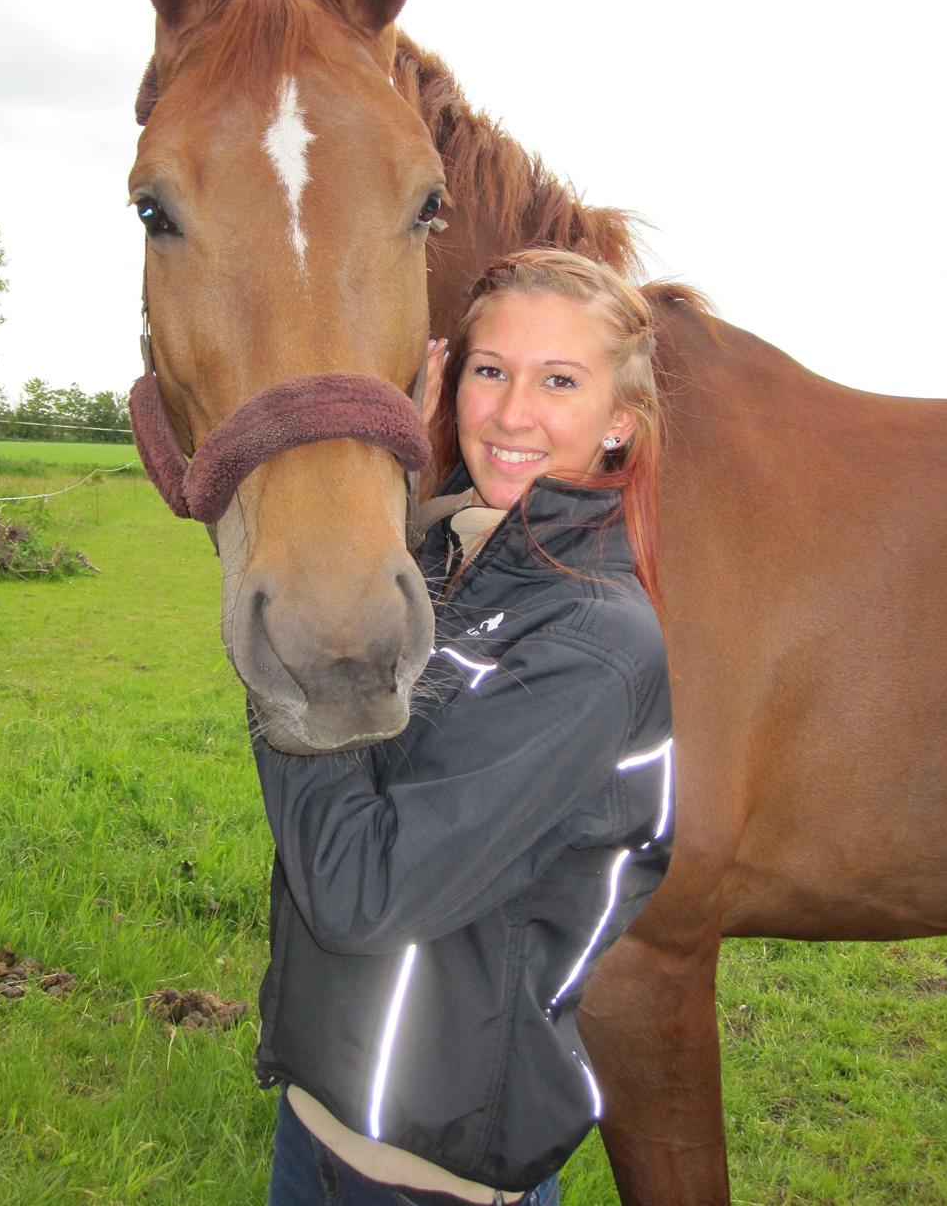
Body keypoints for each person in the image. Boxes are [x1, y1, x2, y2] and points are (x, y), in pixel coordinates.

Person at [250, 248, 674, 1205]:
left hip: (433, 1179)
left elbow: (362, 893)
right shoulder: (441, 564)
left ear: (620, 422)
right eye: (490, 370)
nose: (512, 413)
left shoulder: (594, 646)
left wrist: (288, 659)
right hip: (314, 1124)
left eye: (559, 381)